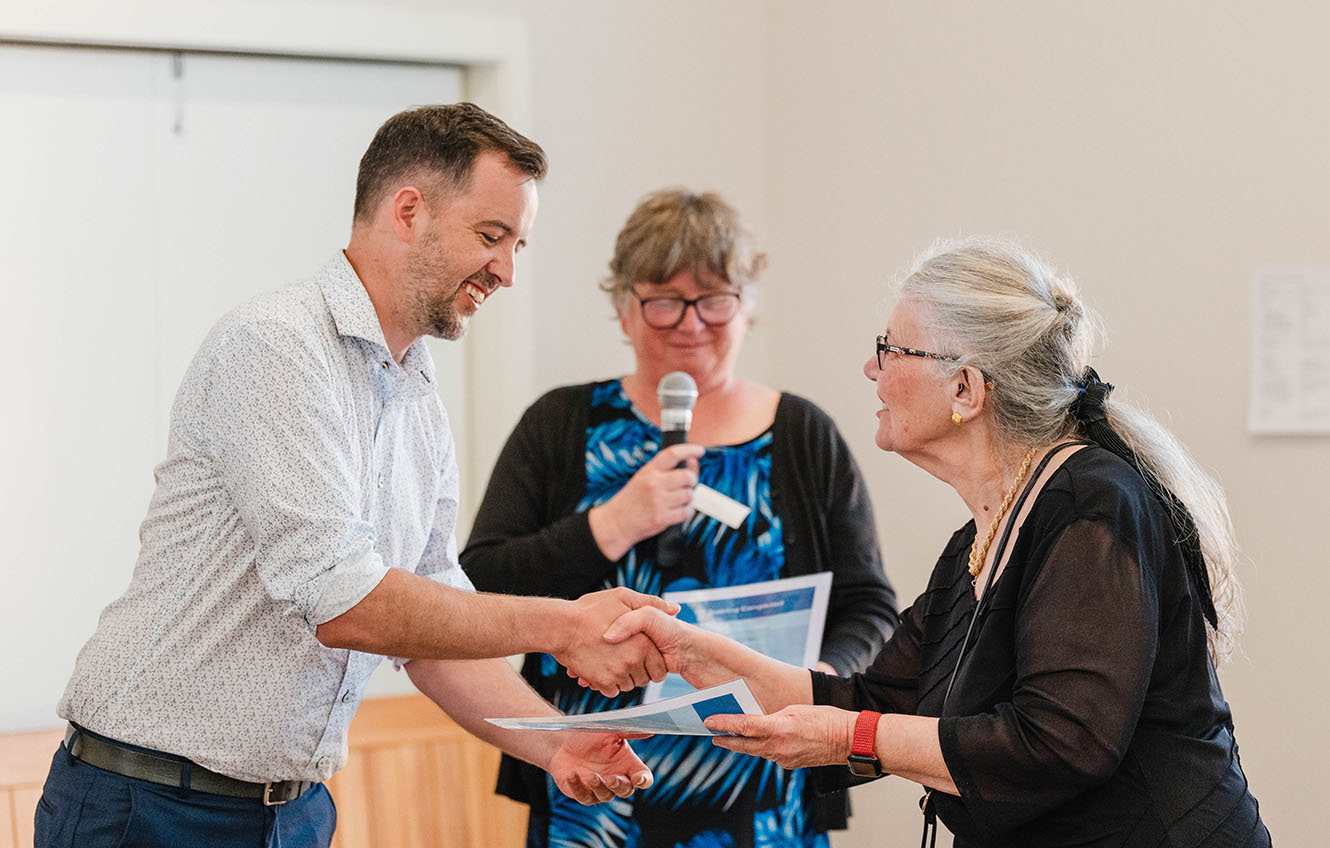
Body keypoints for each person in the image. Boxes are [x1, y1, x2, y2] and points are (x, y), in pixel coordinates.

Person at [37, 103, 677, 848]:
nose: (505, 270)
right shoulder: (277, 346)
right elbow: (345, 603)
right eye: (492, 236)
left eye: (517, 245)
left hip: (293, 810)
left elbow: (431, 621)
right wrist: (566, 625)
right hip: (149, 804)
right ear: (409, 211)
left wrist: (554, 742)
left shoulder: (415, 389)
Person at [606, 236, 1271, 846]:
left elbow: (1063, 741)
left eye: (891, 349)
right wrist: (699, 654)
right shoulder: (978, 538)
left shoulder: (1089, 502)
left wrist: (850, 738)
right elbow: (868, 701)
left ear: (965, 388)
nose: (871, 367)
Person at [461, 188, 899, 848]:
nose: (690, 324)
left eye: (715, 299)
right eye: (663, 301)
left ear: (748, 309)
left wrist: (814, 687)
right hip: (592, 788)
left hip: (762, 788)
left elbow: (868, 605)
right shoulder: (561, 426)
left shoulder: (804, 436)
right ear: (624, 310)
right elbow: (476, 589)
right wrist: (611, 525)